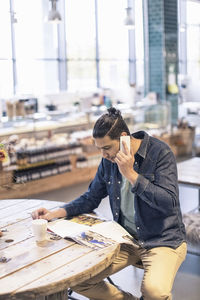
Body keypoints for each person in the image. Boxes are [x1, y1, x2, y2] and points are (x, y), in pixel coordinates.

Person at [32, 107, 187, 300]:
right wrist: (55, 213)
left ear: (123, 137)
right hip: (126, 239)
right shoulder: (109, 161)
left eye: (106, 148)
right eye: (100, 149)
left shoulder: (159, 153)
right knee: (76, 279)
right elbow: (91, 197)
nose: (104, 155)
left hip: (162, 239)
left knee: (155, 292)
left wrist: (130, 174)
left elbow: (169, 203)